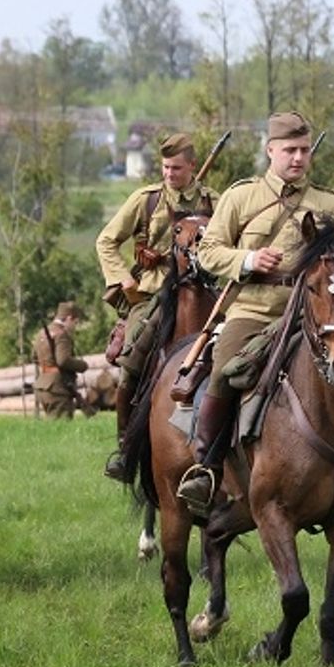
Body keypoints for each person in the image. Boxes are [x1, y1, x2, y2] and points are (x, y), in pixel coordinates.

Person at [175, 110, 334, 519]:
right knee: (226, 367)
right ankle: (205, 467)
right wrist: (247, 259)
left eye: (303, 150)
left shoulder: (329, 203)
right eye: (289, 150)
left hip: (318, 315)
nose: (297, 158)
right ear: (270, 151)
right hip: (256, 310)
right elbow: (208, 252)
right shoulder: (241, 197)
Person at [96, 133, 221, 480]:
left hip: (204, 291)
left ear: (192, 166)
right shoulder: (147, 200)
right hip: (153, 294)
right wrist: (123, 278)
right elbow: (106, 241)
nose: (169, 174)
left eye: (177, 168)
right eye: (165, 167)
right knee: (133, 357)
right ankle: (124, 448)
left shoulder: (214, 200)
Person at [33, 301, 89, 419]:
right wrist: (82, 365)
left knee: (53, 429)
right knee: (62, 429)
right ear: (69, 318)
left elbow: (34, 357)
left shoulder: (41, 333)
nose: (75, 326)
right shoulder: (62, 334)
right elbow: (62, 360)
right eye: (75, 322)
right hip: (58, 388)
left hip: (43, 386)